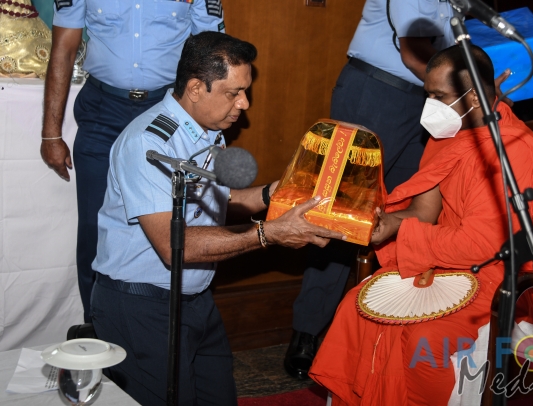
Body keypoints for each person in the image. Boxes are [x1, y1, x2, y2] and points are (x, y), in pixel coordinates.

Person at [90, 32, 345, 406]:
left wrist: (272, 194)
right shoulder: (150, 143)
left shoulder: (208, 130)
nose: (244, 103)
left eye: (245, 91)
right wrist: (268, 234)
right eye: (233, 93)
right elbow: (174, 246)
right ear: (196, 88)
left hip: (194, 299)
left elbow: (216, 201)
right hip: (141, 305)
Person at [308, 44, 533, 405]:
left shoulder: (514, 152)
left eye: (439, 96)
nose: (430, 106)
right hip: (447, 262)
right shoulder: (450, 134)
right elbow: (424, 211)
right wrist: (385, 223)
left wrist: (403, 232)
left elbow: (482, 246)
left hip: (505, 276)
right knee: (356, 307)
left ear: (472, 97)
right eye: (427, 95)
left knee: (423, 336)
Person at [284, 0, 457, 379]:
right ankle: (307, 332)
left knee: (407, 215)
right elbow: (414, 50)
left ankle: (386, 328)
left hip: (429, 103)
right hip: (378, 92)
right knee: (341, 212)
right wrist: (468, 86)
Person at [40, 0, 226, 324]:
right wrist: (51, 134)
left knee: (176, 224)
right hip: (103, 112)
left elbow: (215, 55)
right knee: (94, 230)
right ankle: (98, 328)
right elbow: (64, 49)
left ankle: (168, 325)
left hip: (168, 112)